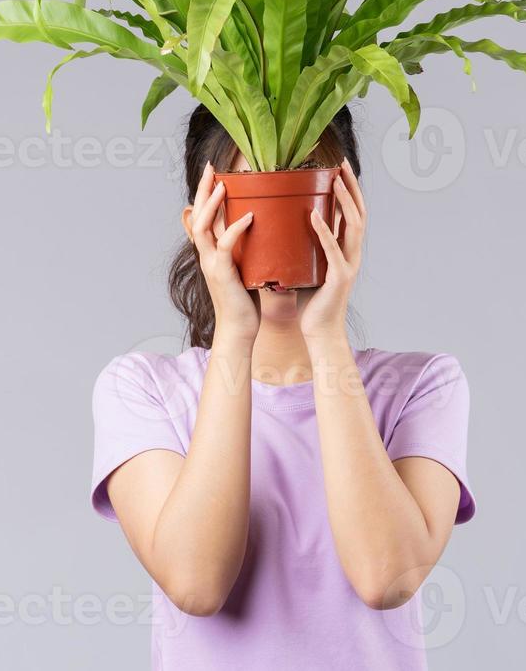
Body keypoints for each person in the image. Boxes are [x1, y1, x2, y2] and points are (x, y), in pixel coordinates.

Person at [90, 104, 475, 670]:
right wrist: (234, 335)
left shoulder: (422, 385)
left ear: (346, 212)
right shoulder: (143, 389)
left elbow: (387, 578)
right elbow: (197, 584)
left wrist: (325, 337)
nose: (275, 228)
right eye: (249, 200)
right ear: (202, 222)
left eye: (302, 200)